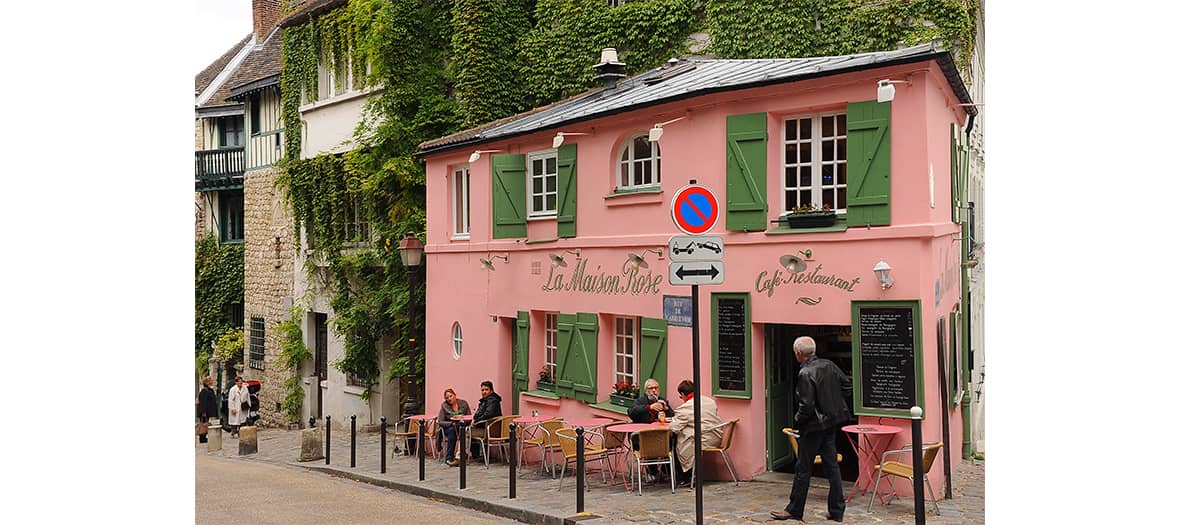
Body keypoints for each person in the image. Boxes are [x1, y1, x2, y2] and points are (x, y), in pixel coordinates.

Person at [771, 336, 853, 522]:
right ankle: (837, 510)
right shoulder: (829, 365)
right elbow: (847, 386)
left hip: (814, 427)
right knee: (832, 467)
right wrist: (834, 406)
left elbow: (806, 406)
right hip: (830, 424)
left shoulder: (805, 373)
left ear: (799, 354)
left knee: (803, 469)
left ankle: (794, 509)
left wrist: (797, 420)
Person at [669, 379, 723, 487]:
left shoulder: (685, 408)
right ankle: (688, 475)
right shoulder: (710, 401)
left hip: (702, 440)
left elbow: (674, 428)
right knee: (685, 434)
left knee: (675, 442)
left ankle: (686, 476)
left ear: (683, 394)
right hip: (716, 437)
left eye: (680, 396)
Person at [628, 378, 675, 480]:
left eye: (656, 388)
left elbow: (672, 416)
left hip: (659, 434)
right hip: (641, 436)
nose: (654, 390)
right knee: (650, 443)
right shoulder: (641, 401)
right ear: (646, 391)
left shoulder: (662, 400)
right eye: (651, 388)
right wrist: (649, 407)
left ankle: (665, 471)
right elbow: (631, 412)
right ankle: (653, 472)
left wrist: (666, 408)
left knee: (672, 440)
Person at [437, 388, 472, 466]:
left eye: (450, 396)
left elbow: (469, 417)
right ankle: (449, 457)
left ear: (455, 395)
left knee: (465, 431)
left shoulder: (463, 403)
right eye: (447, 398)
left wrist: (462, 419)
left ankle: (462, 456)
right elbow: (440, 421)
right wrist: (451, 423)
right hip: (449, 427)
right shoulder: (444, 406)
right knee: (452, 431)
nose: (449, 399)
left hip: (462, 426)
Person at [470, 380, 502, 461]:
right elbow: (478, 413)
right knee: (470, 429)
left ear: (491, 390)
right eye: (482, 390)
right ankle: (478, 455)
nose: (484, 392)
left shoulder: (492, 401)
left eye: (486, 390)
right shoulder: (486, 401)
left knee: (466, 432)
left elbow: (488, 414)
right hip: (489, 428)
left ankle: (460, 456)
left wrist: (476, 421)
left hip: (489, 430)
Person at [196, 377, 217, 443]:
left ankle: (204, 437)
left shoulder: (209, 390)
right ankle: (202, 438)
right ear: (207, 382)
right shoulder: (204, 391)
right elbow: (203, 402)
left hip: (207, 410)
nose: (212, 381)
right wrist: (203, 412)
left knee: (206, 423)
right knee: (203, 424)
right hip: (204, 411)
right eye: (211, 380)